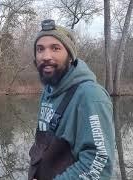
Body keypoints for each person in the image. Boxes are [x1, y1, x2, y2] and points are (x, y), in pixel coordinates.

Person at [28, 19, 115, 180]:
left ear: (70, 55)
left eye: (55, 48)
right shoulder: (48, 90)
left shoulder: (90, 96)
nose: (46, 56)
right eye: (40, 49)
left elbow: (100, 164)